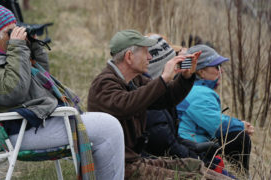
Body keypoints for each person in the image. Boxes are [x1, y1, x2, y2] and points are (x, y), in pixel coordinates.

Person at [0, 4, 125, 180]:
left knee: (106, 128)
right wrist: (17, 48)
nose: (15, 35)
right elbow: (13, 93)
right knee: (110, 127)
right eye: (9, 32)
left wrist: (34, 48)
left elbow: (41, 82)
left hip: (29, 123)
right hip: (22, 130)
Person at [87, 30, 226, 179]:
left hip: (134, 160)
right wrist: (164, 78)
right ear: (129, 56)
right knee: (194, 177)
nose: (150, 57)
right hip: (118, 168)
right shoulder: (104, 84)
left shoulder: (134, 80)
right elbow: (127, 104)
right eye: (145, 52)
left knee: (196, 166)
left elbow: (167, 98)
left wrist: (185, 78)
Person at [144, 34, 236, 179]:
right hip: (163, 163)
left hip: (176, 155)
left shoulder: (162, 94)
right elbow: (166, 146)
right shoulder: (154, 100)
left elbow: (172, 138)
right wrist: (196, 157)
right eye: (175, 64)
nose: (179, 69)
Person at [177, 44, 254, 175]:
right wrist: (240, 125)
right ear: (201, 71)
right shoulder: (199, 92)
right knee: (239, 137)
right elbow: (215, 124)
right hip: (190, 146)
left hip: (185, 141)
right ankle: (243, 175)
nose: (221, 71)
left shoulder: (187, 87)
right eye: (217, 67)